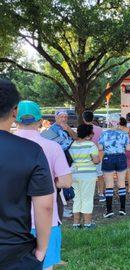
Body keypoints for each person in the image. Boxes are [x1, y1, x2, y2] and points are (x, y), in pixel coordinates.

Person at [0, 80, 54, 269]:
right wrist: (42, 249)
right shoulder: (31, 151)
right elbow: (45, 206)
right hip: (16, 253)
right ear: (15, 111)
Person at [15, 101, 73, 270]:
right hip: (46, 221)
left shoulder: (5, 146)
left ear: (15, 120)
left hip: (11, 221)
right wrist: (47, 181)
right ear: (40, 121)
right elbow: (66, 181)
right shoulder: (52, 147)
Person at [98, 118, 130, 218]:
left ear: (109, 122)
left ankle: (109, 210)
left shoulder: (104, 133)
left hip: (108, 158)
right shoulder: (124, 133)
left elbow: (100, 148)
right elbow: (128, 148)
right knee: (121, 183)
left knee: (109, 184)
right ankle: (123, 209)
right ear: (118, 123)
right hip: (121, 157)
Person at [69, 124, 100, 229]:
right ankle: (87, 223)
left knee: (77, 199)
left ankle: (76, 224)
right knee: (87, 198)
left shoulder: (72, 144)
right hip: (88, 174)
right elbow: (96, 161)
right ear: (88, 134)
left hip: (74, 174)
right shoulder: (91, 145)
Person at [82, 110, 106, 203]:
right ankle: (101, 194)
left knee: (87, 176)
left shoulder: (81, 128)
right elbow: (102, 144)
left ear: (84, 119)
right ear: (92, 118)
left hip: (85, 156)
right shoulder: (99, 129)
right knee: (100, 176)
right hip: (98, 155)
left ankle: (88, 194)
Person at [116, 118, 130, 193]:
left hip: (120, 151)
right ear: (126, 123)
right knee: (128, 169)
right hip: (129, 150)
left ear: (119, 123)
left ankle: (121, 187)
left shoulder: (117, 131)